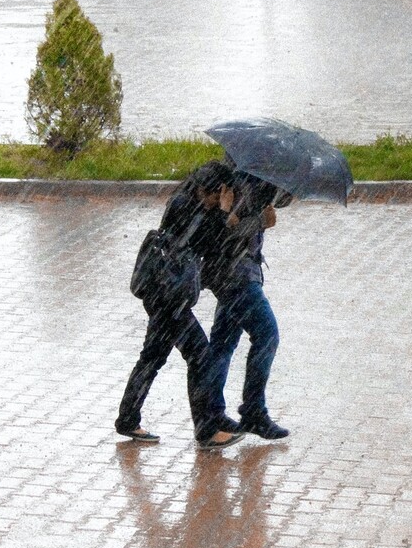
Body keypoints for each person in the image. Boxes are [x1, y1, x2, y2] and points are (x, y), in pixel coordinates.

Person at [115, 161, 268, 449]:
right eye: (225, 193)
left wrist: (224, 216)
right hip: (169, 298)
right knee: (201, 356)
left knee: (152, 356)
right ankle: (207, 429)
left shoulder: (184, 201)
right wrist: (227, 215)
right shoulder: (194, 210)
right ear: (217, 191)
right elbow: (215, 244)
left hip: (160, 293)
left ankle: (127, 419)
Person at [201, 172, 292, 440]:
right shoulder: (240, 180)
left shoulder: (259, 176)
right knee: (267, 335)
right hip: (236, 276)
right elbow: (226, 234)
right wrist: (260, 222)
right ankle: (252, 411)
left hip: (235, 273)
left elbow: (279, 200)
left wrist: (289, 187)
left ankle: (212, 413)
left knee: (223, 343)